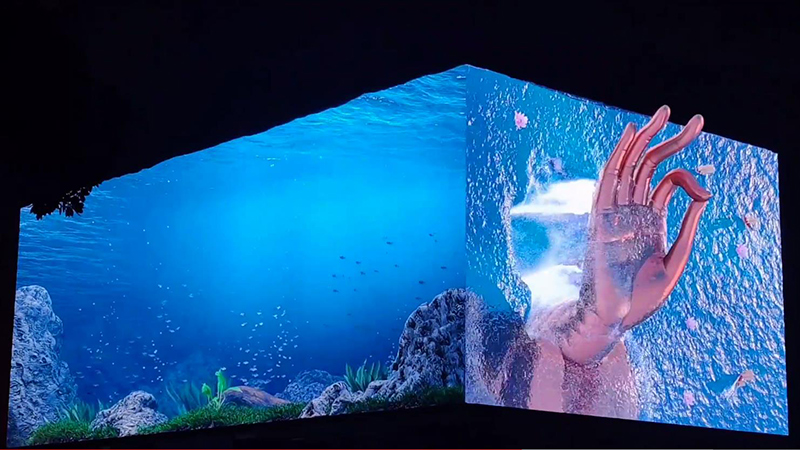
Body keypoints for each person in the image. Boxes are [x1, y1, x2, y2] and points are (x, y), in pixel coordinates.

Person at [482, 106, 711, 419]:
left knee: (602, 357)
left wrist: (597, 329)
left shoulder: (611, 358)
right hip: (546, 339)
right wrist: (595, 329)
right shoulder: (595, 352)